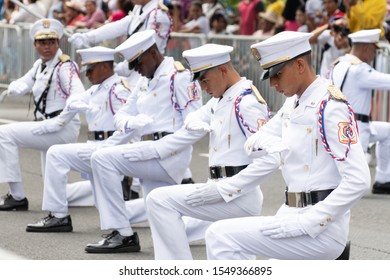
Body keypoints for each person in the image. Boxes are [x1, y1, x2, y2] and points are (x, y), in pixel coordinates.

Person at [204, 31, 370, 260]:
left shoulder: (330, 106)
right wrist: (268, 142)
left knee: (219, 235)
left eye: (277, 75)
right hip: (290, 213)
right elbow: (253, 140)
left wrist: (309, 222)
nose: (272, 84)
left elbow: (359, 180)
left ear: (300, 65)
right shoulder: (293, 102)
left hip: (319, 226)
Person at [145, 43, 278, 260]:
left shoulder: (245, 103)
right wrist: (193, 122)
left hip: (237, 195)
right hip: (220, 191)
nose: (203, 87)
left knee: (160, 200)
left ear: (223, 70)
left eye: (205, 80)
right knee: (228, 253)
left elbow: (271, 159)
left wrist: (226, 188)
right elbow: (196, 114)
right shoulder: (223, 98)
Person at [84, 29, 203, 253]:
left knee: (102, 160)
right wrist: (128, 123)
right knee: (161, 218)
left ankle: (123, 233)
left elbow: (196, 127)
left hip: (168, 155)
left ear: (151, 53)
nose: (135, 69)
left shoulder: (180, 77)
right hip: (148, 149)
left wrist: (160, 148)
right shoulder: (143, 81)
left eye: (137, 62)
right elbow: (122, 115)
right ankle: (213, 225)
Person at [25, 46, 132, 232]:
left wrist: (108, 147)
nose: (87, 75)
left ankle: (59, 216)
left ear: (105, 67)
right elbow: (74, 100)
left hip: (111, 149)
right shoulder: (97, 89)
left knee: (56, 153)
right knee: (105, 204)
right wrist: (60, 117)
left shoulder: (118, 89)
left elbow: (128, 127)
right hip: (97, 146)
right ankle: (128, 227)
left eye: (90, 70)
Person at [0, 18, 84, 211]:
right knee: (54, 189)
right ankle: (107, 189)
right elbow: (23, 82)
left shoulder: (65, 66)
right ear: (35, 44)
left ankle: (17, 196)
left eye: (52, 42)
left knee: (4, 134)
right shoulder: (40, 65)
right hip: (47, 126)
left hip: (60, 128)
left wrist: (61, 121)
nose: (47, 47)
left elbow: (78, 95)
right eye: (42, 42)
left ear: (58, 43)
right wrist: (14, 88)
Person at [329, 29, 390, 194]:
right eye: (373, 50)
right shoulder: (360, 70)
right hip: (357, 127)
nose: (373, 55)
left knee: (387, 131)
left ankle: (384, 180)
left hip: (343, 122)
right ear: (366, 49)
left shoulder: (338, 64)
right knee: (355, 176)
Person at [68, 0, 172, 54]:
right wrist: (87, 37)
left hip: (149, 76)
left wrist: (121, 68)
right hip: (137, 70)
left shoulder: (158, 15)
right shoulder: (139, 8)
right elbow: (117, 27)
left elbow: (150, 53)